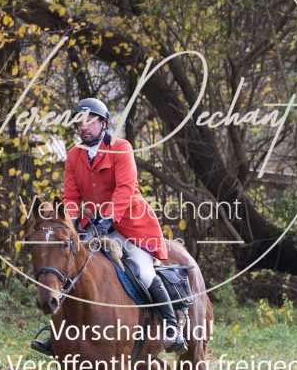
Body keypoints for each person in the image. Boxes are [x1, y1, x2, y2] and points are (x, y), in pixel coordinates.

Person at [30, 97, 187, 356]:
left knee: (143, 271)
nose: (84, 127)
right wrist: (70, 223)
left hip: (129, 225)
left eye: (90, 121)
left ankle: (171, 327)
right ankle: (58, 336)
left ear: (103, 124)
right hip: (91, 226)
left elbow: (125, 188)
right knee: (68, 269)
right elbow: (71, 197)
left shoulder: (121, 148)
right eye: (80, 123)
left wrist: (109, 217)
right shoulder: (74, 156)